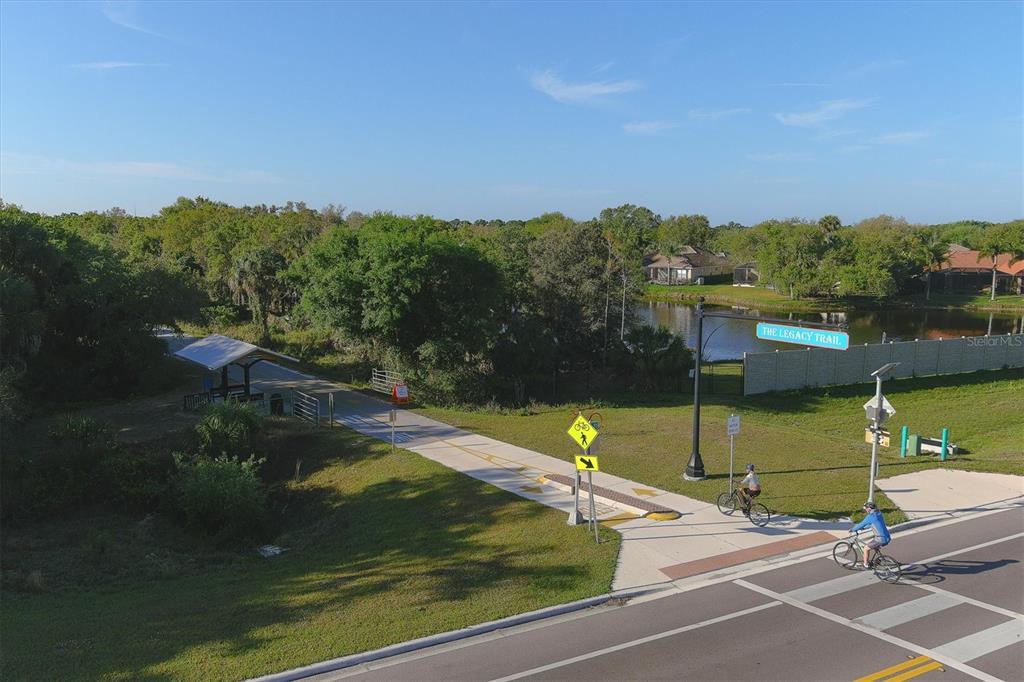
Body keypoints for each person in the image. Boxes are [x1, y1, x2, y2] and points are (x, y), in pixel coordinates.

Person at [850, 501, 891, 568]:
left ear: (869, 508)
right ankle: (879, 559)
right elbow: (873, 524)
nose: (865, 510)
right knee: (874, 545)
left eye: (866, 508)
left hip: (880, 538)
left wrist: (853, 529)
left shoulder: (870, 516)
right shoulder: (879, 514)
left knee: (866, 548)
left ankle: (866, 564)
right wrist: (864, 528)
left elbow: (861, 524)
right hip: (887, 537)